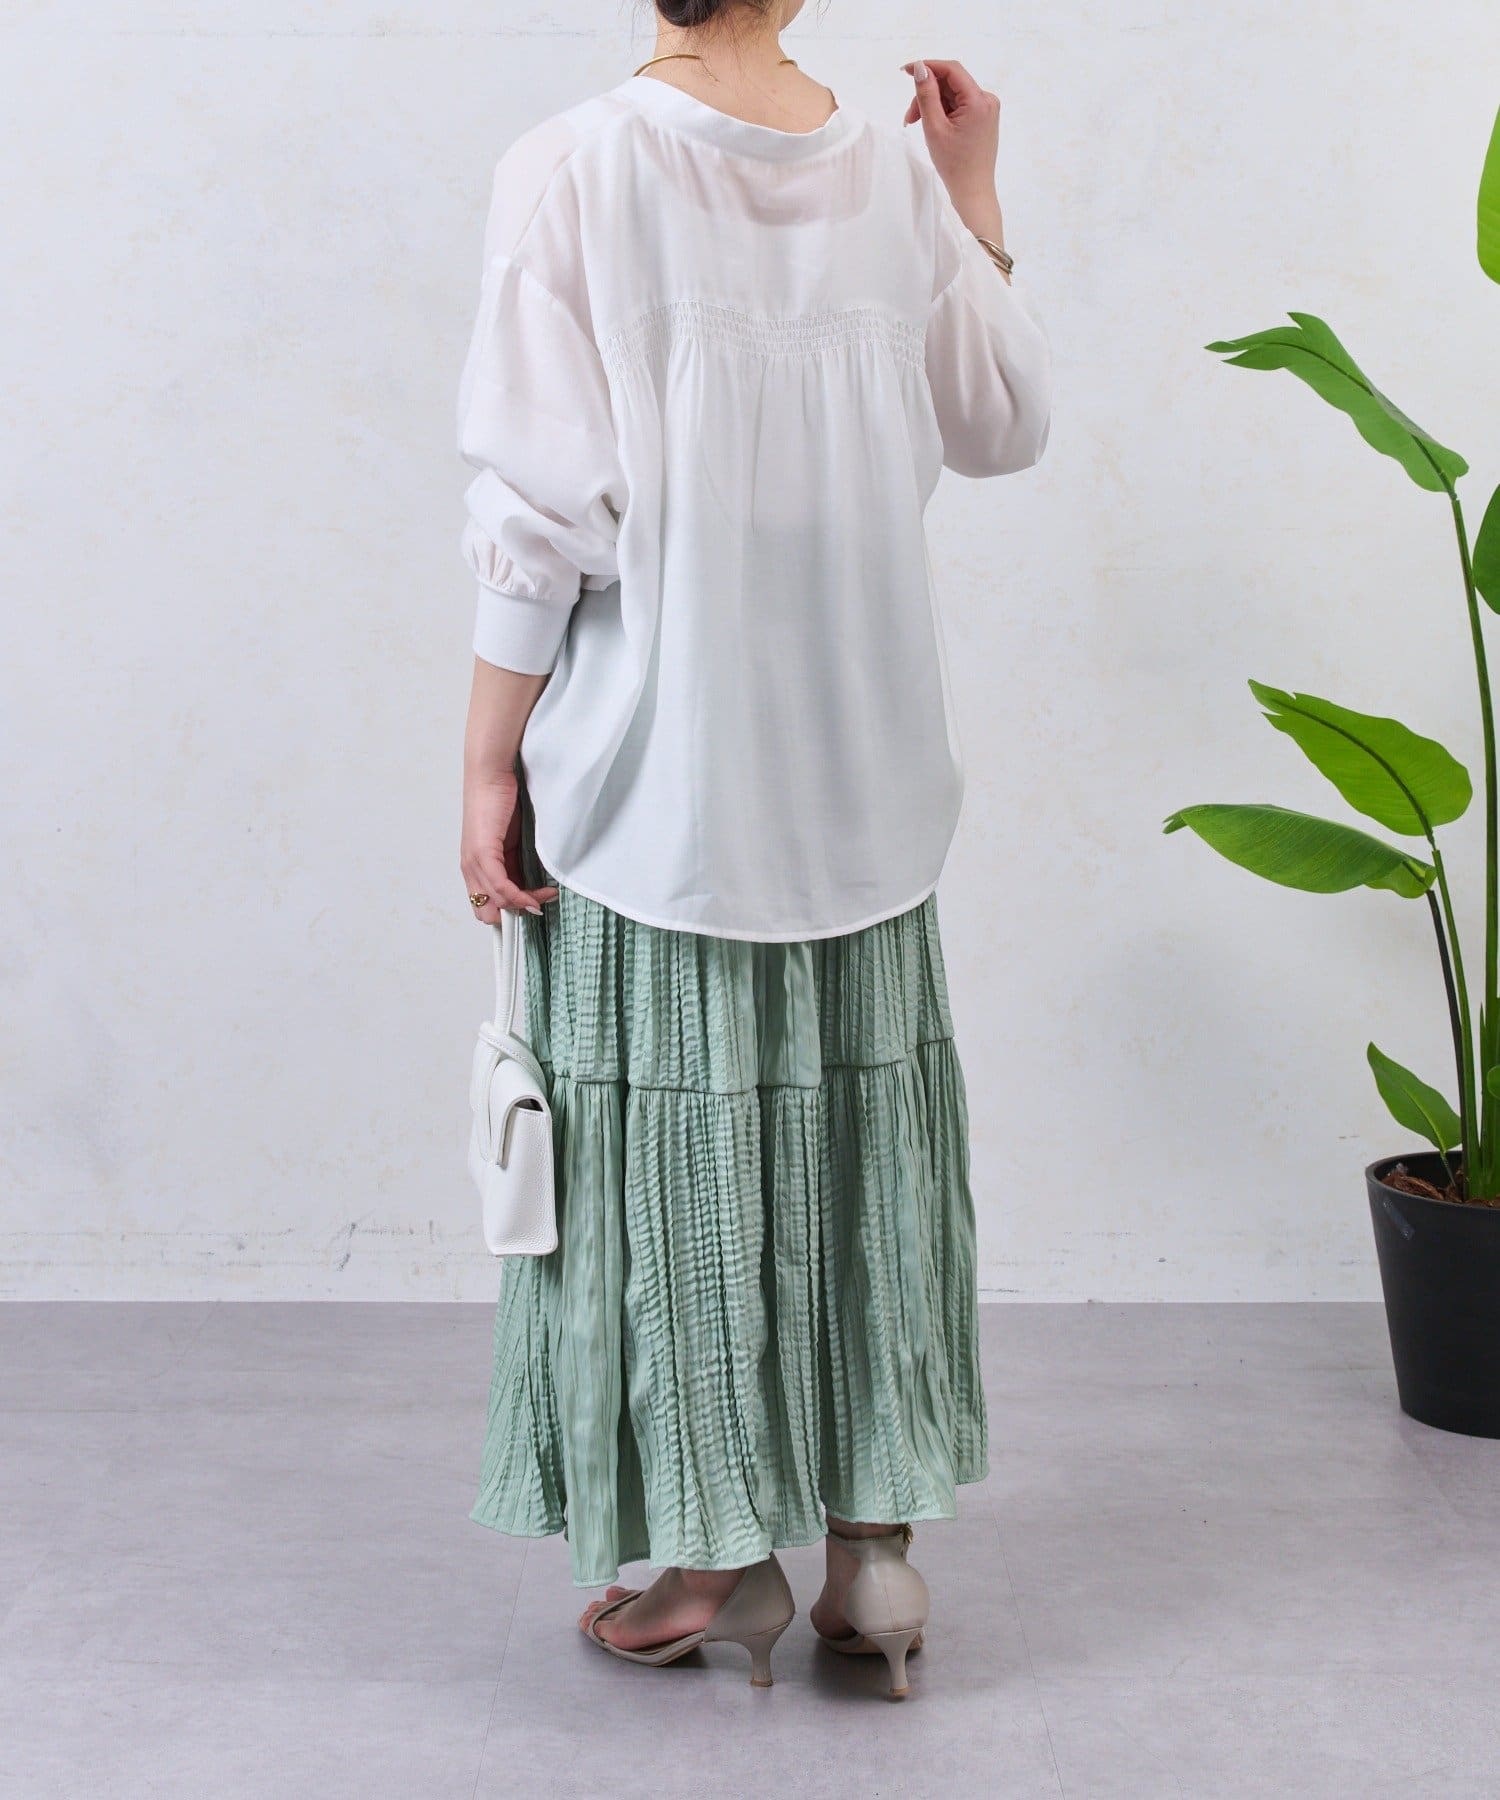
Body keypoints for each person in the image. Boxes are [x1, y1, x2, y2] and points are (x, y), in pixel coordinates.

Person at [457, 0, 1050, 1700]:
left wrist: (487, 759)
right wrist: (973, 194)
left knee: (675, 1166)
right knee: (867, 1160)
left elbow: (540, 518)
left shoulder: (573, 166)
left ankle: (719, 1557)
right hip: (865, 780)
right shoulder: (892, 175)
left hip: (665, 791)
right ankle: (876, 1560)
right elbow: (1003, 424)